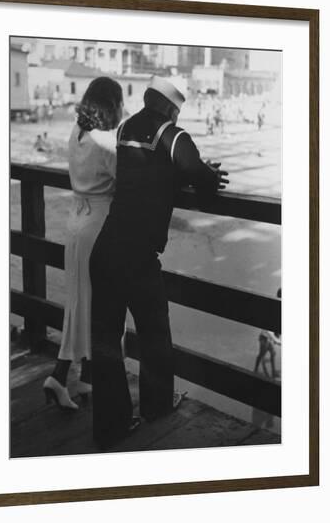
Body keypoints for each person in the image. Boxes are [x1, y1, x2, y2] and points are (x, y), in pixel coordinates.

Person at [89, 75, 229, 448]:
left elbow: (148, 171)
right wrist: (207, 173)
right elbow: (202, 179)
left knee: (104, 340)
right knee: (154, 333)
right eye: (176, 109)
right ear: (171, 107)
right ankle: (157, 407)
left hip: (104, 249)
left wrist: (188, 170)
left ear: (148, 98)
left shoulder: (125, 130)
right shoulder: (175, 136)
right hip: (137, 255)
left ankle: (111, 424)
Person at [43, 77, 124, 410]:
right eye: (120, 103)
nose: (123, 109)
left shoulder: (77, 136)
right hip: (99, 226)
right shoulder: (106, 143)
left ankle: (81, 378)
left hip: (76, 223)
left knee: (79, 303)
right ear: (111, 106)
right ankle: (63, 375)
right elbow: (129, 181)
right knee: (101, 308)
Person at [254, 287, 281, 379]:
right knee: (261, 354)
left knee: (273, 353)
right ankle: (256, 370)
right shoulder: (276, 307)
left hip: (267, 337)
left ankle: (273, 372)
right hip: (265, 338)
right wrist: (276, 339)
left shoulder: (275, 305)